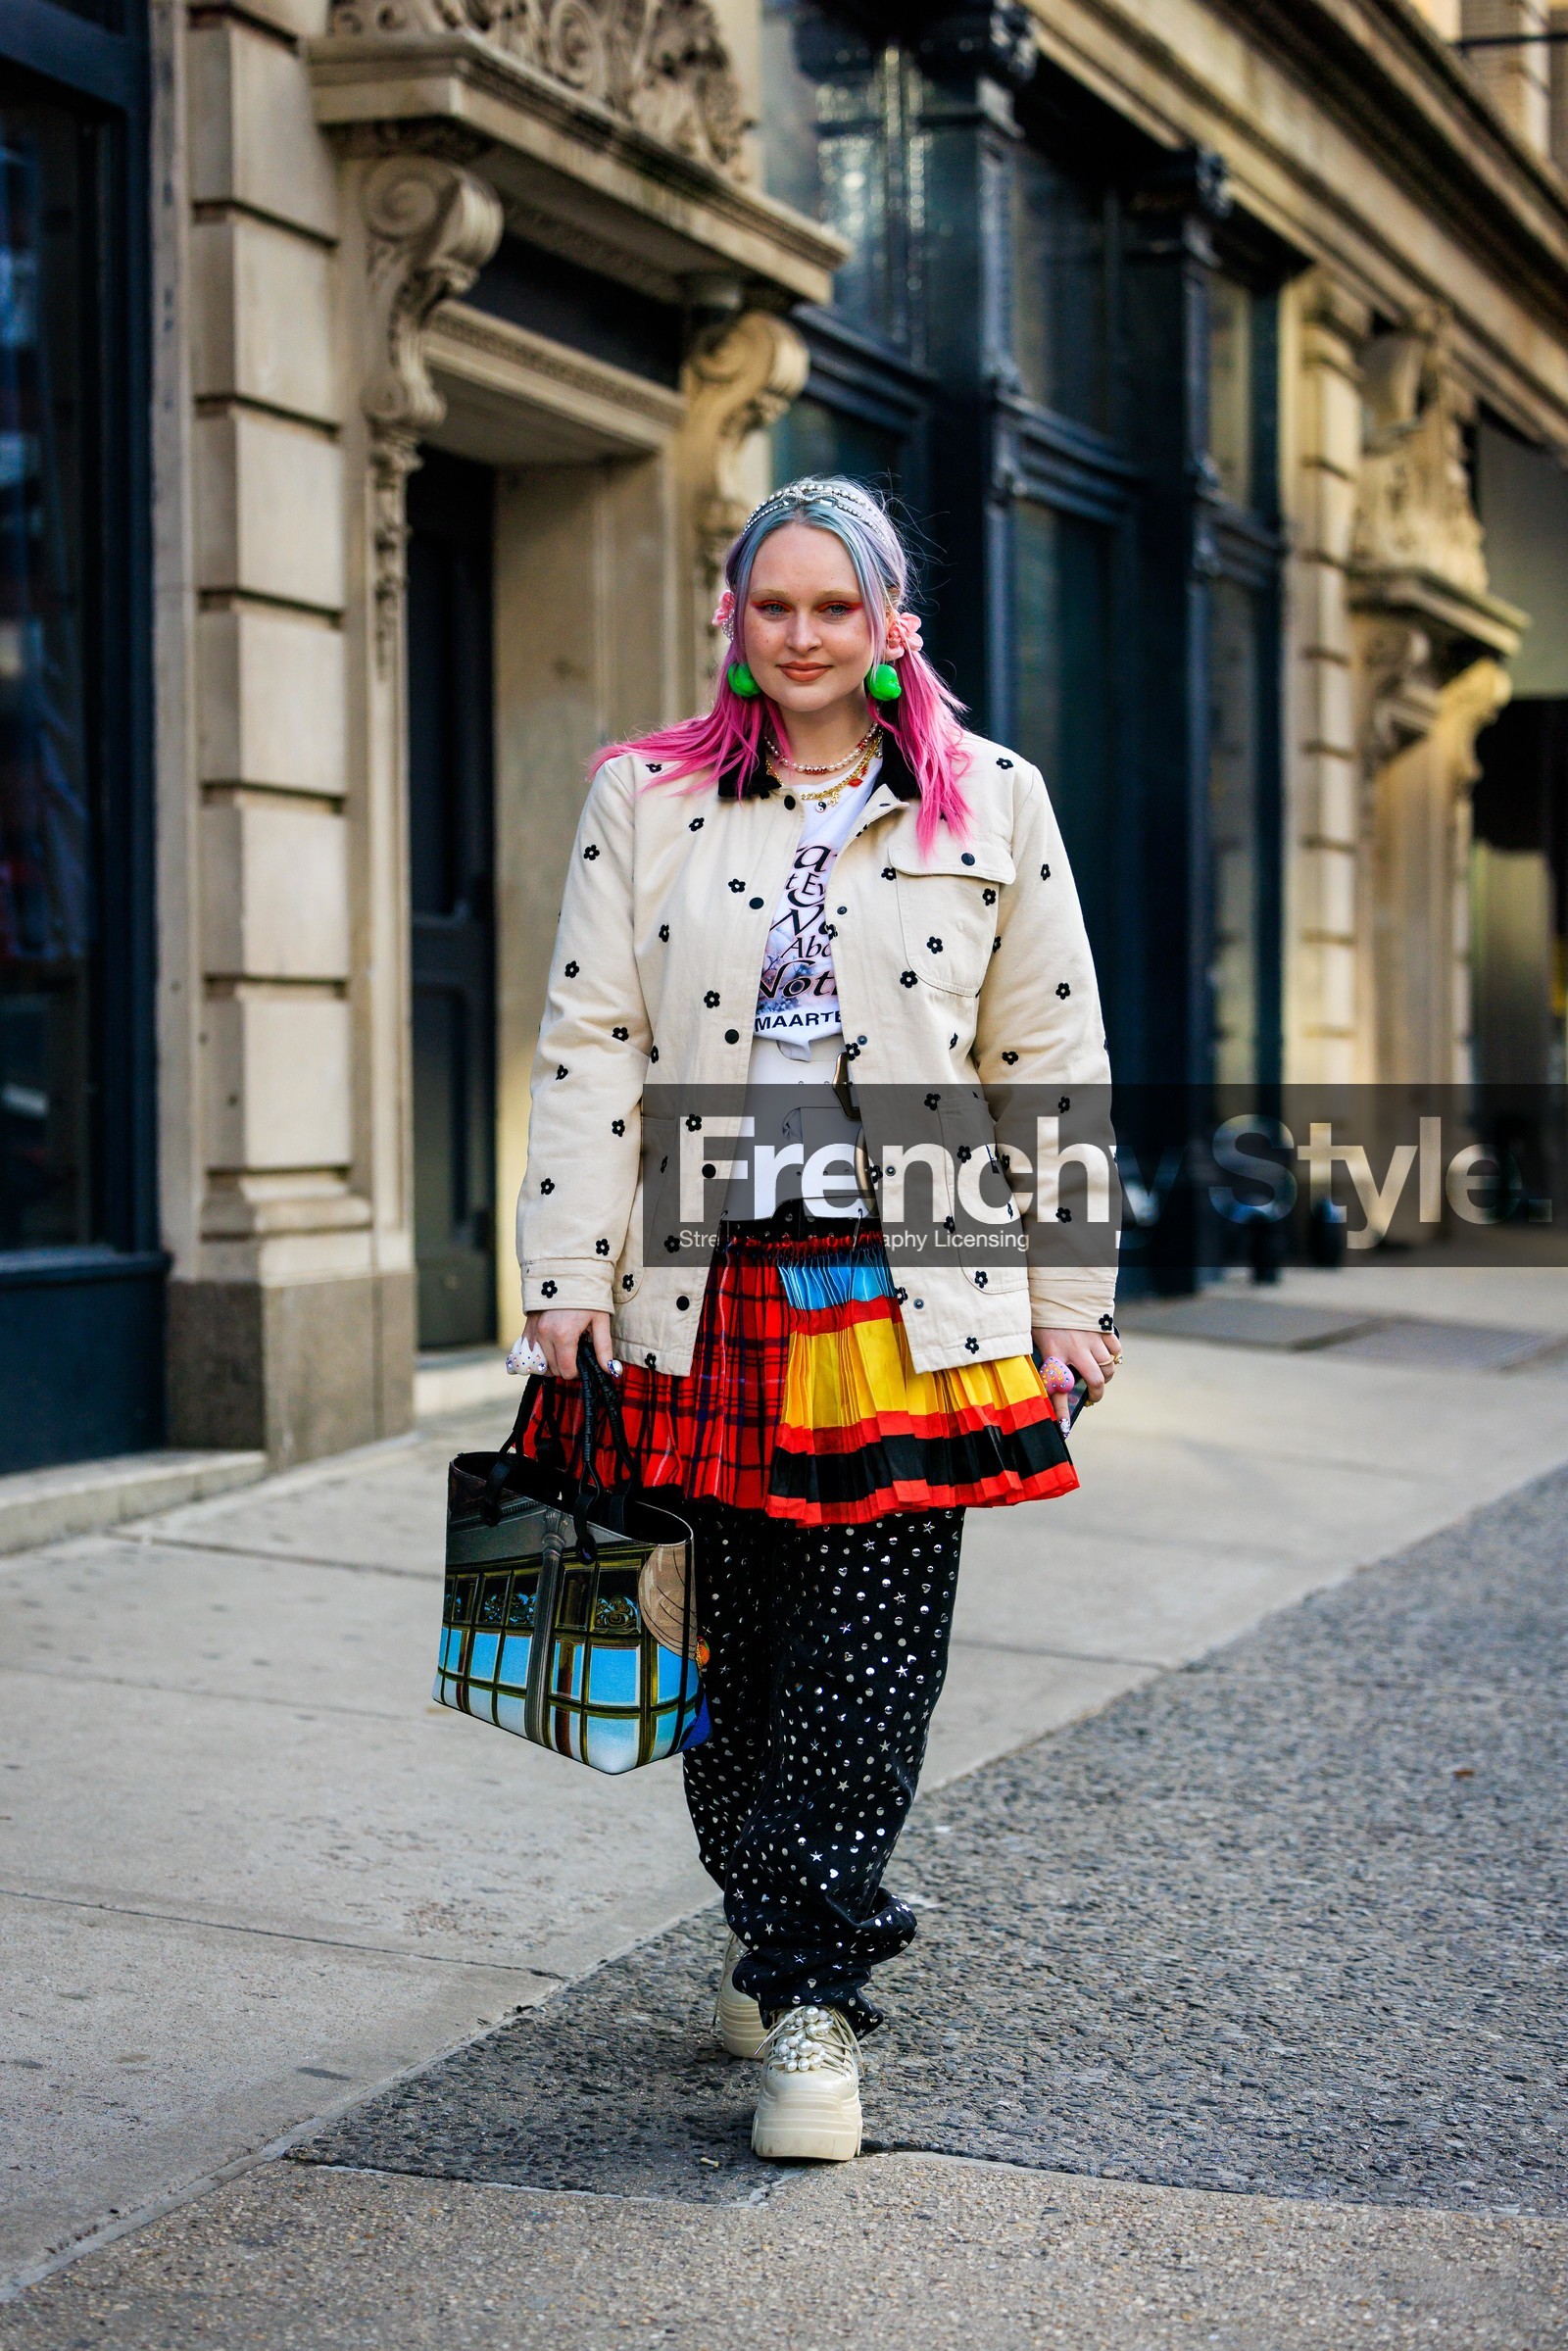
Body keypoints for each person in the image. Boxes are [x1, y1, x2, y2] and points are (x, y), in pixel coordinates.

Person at [514, 475, 1119, 2163]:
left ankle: (808, 1998)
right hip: (698, 1260)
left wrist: (1069, 1294)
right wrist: (562, 1279)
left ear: (888, 624)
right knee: (716, 1642)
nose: (800, 635)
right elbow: (589, 1045)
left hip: (912, 1244)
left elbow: (1048, 1065)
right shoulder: (645, 797)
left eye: (832, 608)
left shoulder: (991, 798)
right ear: (735, 619)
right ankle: (780, 1918)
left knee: (871, 1649)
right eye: (772, 606)